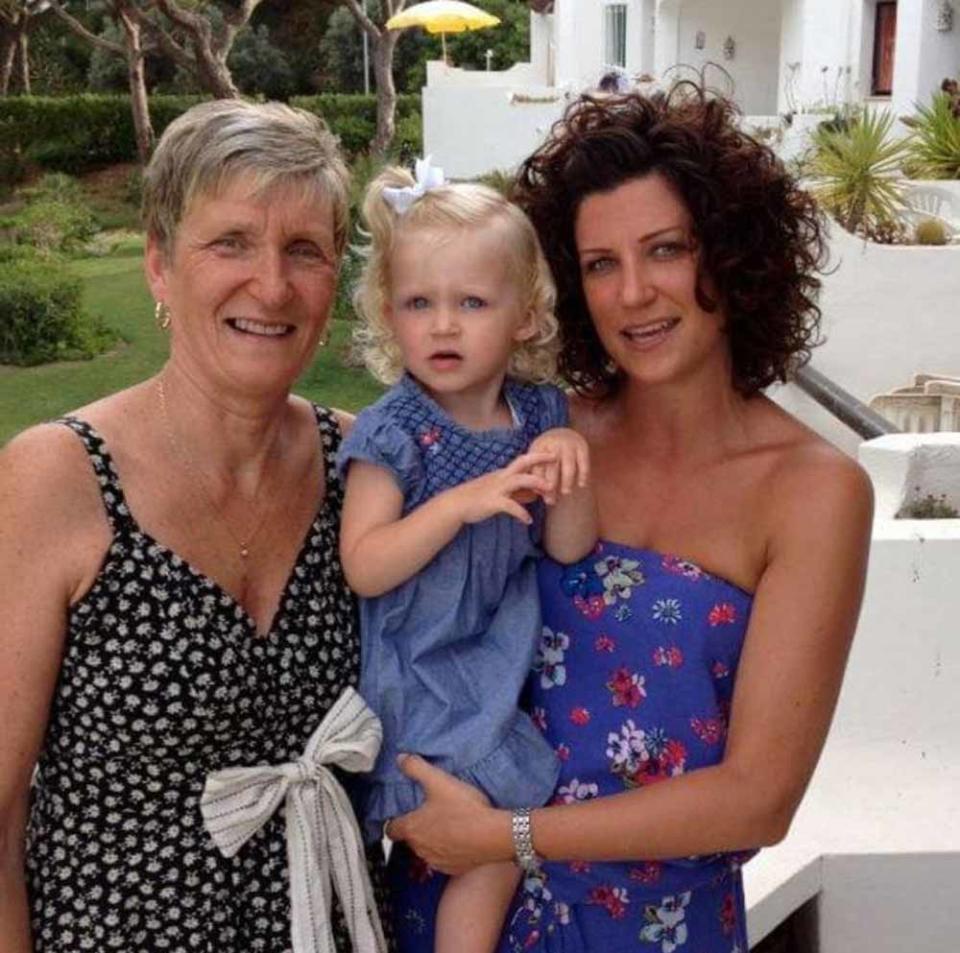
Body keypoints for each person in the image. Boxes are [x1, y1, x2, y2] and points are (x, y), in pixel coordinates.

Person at [385, 84, 874, 952]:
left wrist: (508, 836)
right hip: (454, 903)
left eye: (666, 250)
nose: (635, 293)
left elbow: (761, 795)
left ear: (730, 253)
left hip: (646, 929)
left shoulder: (813, 490)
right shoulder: (536, 431)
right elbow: (386, 471)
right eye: (601, 263)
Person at [0, 100, 389, 953]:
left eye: (305, 250)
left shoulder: (364, 465)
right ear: (159, 267)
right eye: (231, 242)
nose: (274, 284)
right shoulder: (58, 477)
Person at [337, 160, 597, 953]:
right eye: (420, 304)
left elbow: (568, 543)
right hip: (420, 677)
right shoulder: (396, 433)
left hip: (488, 667)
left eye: (472, 303)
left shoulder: (539, 413)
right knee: (493, 828)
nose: (443, 325)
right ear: (390, 313)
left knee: (488, 841)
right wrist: (456, 503)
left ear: (525, 315)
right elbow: (366, 565)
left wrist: (567, 455)